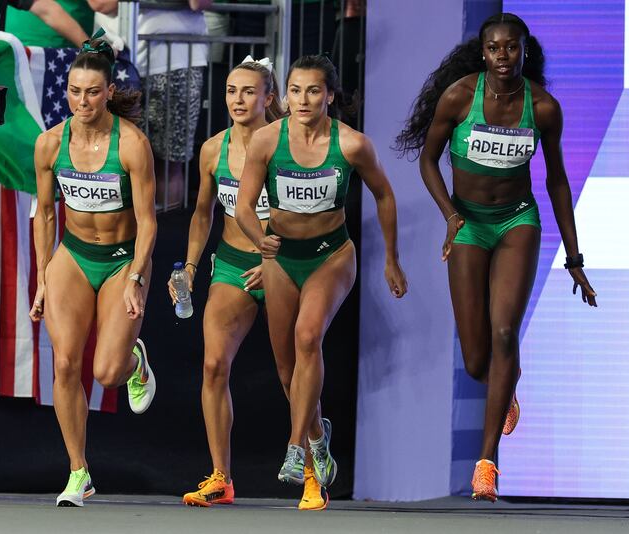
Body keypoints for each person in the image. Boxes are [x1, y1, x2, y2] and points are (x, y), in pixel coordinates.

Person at [395, 12, 597, 502]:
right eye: (494, 49)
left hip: (516, 224)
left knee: (506, 331)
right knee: (476, 356)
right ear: (483, 53)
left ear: (524, 51)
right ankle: (507, 387)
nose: (503, 57)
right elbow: (427, 157)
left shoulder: (543, 108)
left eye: (512, 48)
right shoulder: (460, 97)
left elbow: (557, 181)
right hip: (468, 225)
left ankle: (485, 465)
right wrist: (449, 215)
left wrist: (574, 256)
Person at [235, 55, 407, 502]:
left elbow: (385, 195)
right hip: (281, 258)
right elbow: (244, 205)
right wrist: (260, 240)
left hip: (331, 257)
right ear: (286, 95)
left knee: (308, 337)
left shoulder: (351, 145)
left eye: (314, 90)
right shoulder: (267, 141)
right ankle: (316, 437)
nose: (304, 99)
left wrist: (391, 258)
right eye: (295, 90)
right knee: (286, 367)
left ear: (330, 95)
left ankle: (295, 449)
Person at [167, 55, 331, 510]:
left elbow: (310, 211)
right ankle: (221, 476)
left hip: (284, 262)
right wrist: (192, 267)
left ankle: (313, 467)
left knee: (289, 373)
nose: (238, 100)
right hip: (233, 264)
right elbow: (203, 213)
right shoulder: (212, 149)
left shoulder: (288, 143)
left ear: (269, 98)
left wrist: (277, 258)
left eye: (248, 92)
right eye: (231, 91)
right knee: (214, 365)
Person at [30, 34, 157, 507]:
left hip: (123, 259)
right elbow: (44, 215)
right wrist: (43, 278)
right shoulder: (49, 145)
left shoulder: (132, 145)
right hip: (74, 255)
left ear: (108, 92)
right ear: (67, 90)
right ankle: (78, 471)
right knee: (64, 363)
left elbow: (147, 222)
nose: (82, 101)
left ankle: (135, 361)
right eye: (74, 91)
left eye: (92, 92)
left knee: (106, 373)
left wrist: (139, 278)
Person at [89, 0, 211, 209]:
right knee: (113, 157)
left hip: (179, 60)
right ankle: (117, 234)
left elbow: (199, 2)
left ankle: (167, 234)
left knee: (170, 161)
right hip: (116, 60)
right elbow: (101, 4)